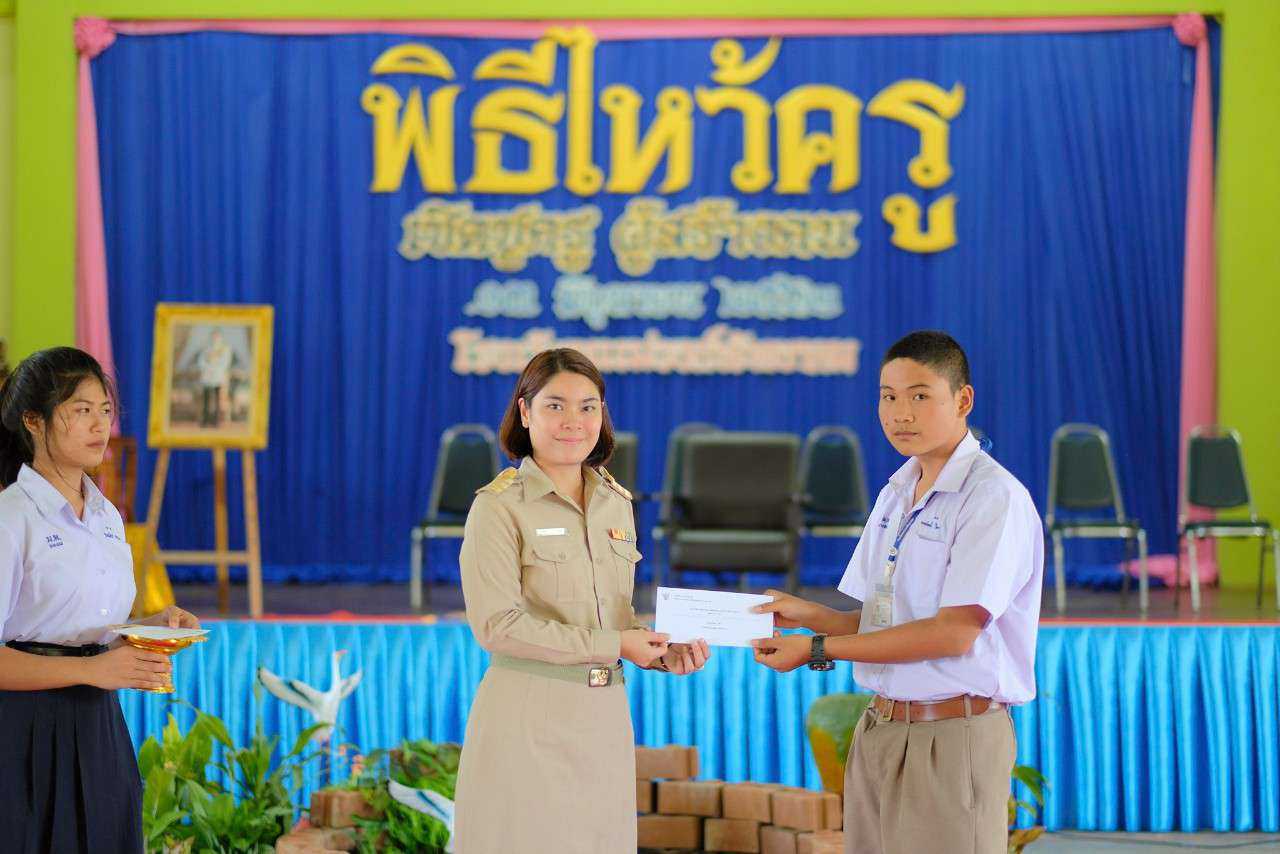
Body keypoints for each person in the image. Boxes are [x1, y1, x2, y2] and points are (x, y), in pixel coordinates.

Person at [752, 330, 1043, 854]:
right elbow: (881, 622)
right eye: (888, 397)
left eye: (919, 396)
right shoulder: (897, 491)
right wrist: (807, 614)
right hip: (881, 726)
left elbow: (953, 634)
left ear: (963, 400)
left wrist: (816, 649)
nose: (900, 413)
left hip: (952, 733)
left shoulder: (992, 496)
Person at [453, 348, 711, 854]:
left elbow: (614, 617)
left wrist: (659, 651)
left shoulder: (615, 502)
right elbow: (497, 626)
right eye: (555, 406)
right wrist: (617, 644)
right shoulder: (498, 508)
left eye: (588, 407)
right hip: (527, 717)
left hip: (604, 718)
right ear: (525, 413)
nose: (574, 421)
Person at [0, 346, 202, 853]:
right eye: (81, 410)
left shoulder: (107, 516)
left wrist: (150, 626)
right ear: (33, 421)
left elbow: (85, 630)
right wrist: (94, 669)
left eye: (105, 410)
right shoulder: (10, 518)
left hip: (99, 724)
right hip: (24, 728)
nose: (99, 425)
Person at [197, 330, 232, 427]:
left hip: (217, 376)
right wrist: (207, 368)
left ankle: (216, 421)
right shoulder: (206, 347)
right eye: (213, 336)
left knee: (217, 399)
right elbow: (201, 361)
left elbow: (225, 362)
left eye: (217, 336)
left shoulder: (225, 348)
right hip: (207, 375)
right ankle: (205, 420)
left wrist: (215, 369)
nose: (215, 338)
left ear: (220, 337)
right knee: (206, 398)